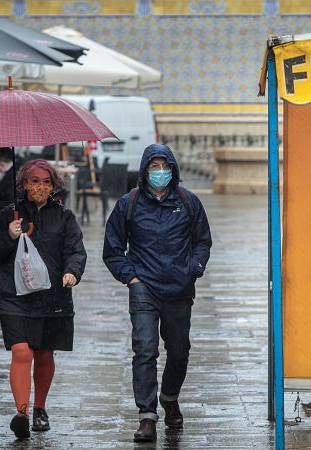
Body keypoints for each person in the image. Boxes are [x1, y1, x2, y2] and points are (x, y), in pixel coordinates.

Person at [102, 144, 212, 442]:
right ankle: (147, 416)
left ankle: (170, 397)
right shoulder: (130, 204)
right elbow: (112, 249)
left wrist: (194, 268)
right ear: (145, 170)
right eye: (154, 166)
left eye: (165, 166)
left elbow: (203, 241)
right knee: (145, 350)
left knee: (179, 351)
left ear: (173, 169)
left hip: (179, 288)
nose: (160, 172)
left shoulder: (189, 202)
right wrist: (131, 278)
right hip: (144, 289)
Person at [0, 159, 87, 439]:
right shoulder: (9, 214)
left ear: (53, 186)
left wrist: (72, 272)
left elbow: (76, 251)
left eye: (46, 182)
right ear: (24, 185)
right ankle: (22, 412)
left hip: (52, 296)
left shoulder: (64, 217)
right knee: (21, 352)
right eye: (34, 181)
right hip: (14, 296)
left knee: (43, 354)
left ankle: (40, 408)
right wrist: (8, 235)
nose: (40, 187)